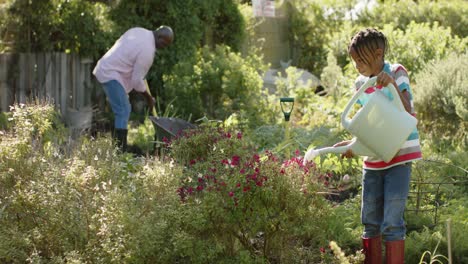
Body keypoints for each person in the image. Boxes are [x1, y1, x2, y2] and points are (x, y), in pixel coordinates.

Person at [334, 28, 422, 264]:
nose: (357, 66)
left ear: (378, 53)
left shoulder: (397, 72)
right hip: (373, 162)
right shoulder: (360, 83)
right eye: (354, 61)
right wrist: (353, 144)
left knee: (392, 222)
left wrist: (391, 84)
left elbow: (408, 112)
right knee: (370, 220)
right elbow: (368, 123)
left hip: (399, 159)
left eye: (361, 60)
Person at [93, 26, 174, 151]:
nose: (164, 47)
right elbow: (136, 81)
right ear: (159, 37)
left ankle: (118, 150)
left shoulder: (139, 31)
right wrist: (148, 98)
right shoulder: (148, 50)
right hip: (111, 73)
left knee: (124, 109)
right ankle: (120, 153)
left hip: (109, 69)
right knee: (123, 110)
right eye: (165, 43)